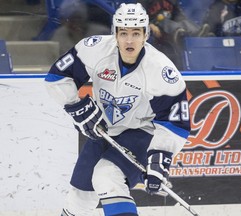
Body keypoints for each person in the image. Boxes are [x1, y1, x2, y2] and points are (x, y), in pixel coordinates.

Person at [44, 3, 190, 216]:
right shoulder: (94, 50)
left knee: (106, 175)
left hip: (141, 132)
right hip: (103, 129)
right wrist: (75, 105)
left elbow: (174, 123)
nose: (129, 40)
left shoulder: (161, 71)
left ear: (146, 34)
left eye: (135, 33)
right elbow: (56, 78)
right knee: (80, 197)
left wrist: (159, 159)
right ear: (115, 33)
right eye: (123, 33)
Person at [137, 0, 211, 69]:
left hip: (171, 24)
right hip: (156, 25)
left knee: (184, 22)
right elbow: (137, 18)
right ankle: (178, 33)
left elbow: (178, 15)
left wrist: (184, 22)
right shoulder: (143, 1)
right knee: (166, 22)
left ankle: (199, 33)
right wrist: (149, 25)